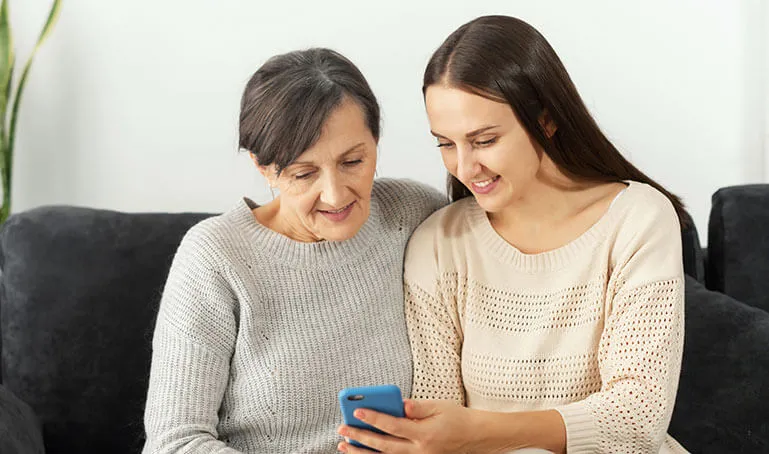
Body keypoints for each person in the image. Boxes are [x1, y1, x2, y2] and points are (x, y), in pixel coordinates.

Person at [337, 15, 688, 454]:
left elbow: (638, 419)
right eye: (445, 143)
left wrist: (476, 433)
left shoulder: (636, 218)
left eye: (484, 140)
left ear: (546, 121)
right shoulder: (440, 245)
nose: (465, 168)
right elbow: (438, 420)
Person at [142, 48, 445, 453]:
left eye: (353, 161)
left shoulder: (414, 214)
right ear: (263, 167)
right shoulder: (215, 256)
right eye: (305, 174)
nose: (336, 195)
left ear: (376, 142)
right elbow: (173, 442)